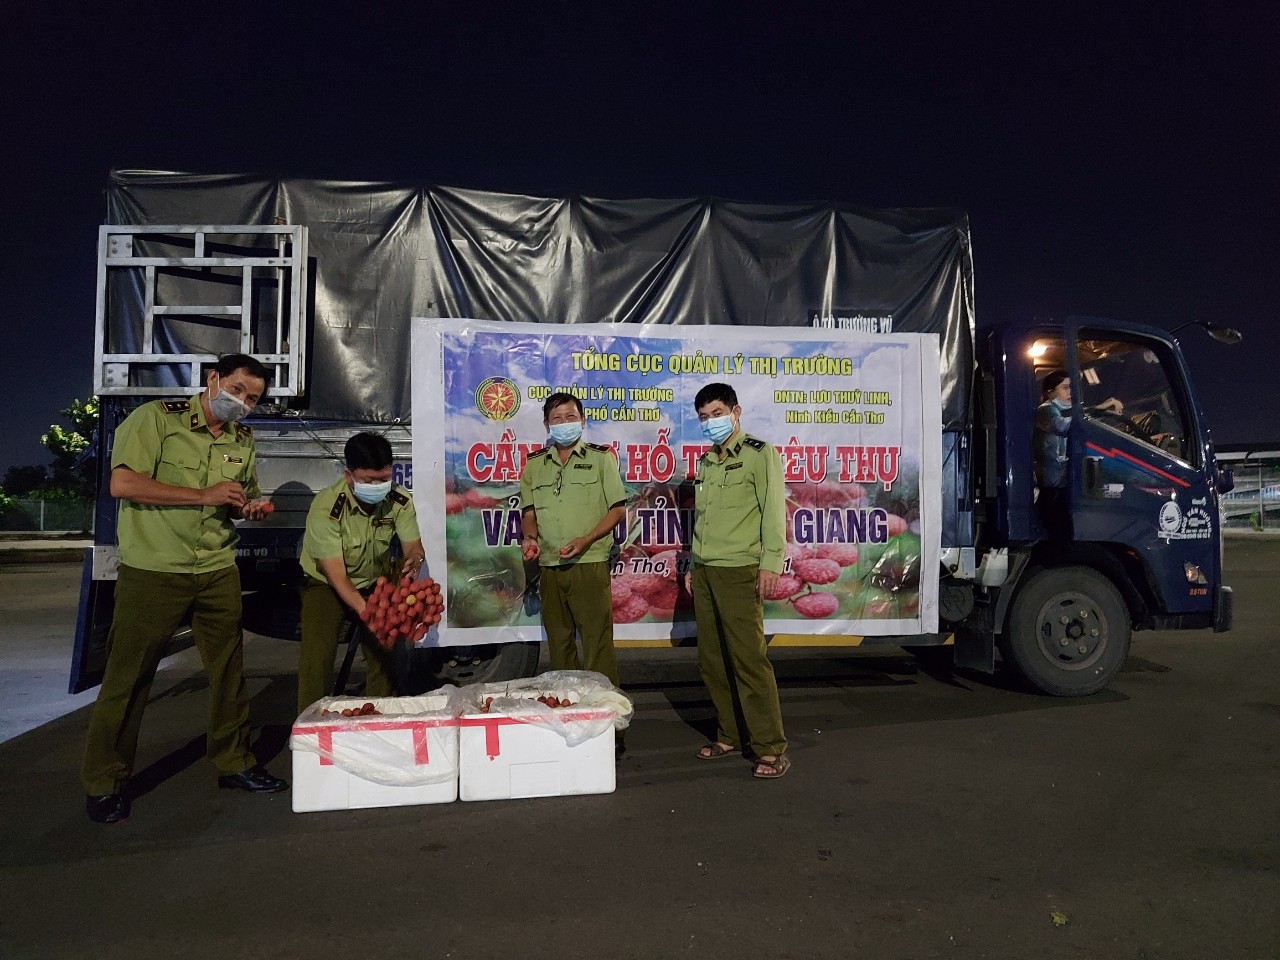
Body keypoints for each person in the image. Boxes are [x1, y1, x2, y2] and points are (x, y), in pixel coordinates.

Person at [82, 354, 286, 824]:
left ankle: (234, 762)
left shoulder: (241, 439)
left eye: (253, 399)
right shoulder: (155, 419)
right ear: (213, 379)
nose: (243, 402)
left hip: (216, 568)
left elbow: (236, 499)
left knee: (229, 672)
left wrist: (247, 508)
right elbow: (122, 483)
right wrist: (203, 495)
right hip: (154, 569)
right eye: (237, 390)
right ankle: (105, 781)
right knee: (129, 678)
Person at [687, 383, 790, 780]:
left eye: (717, 413)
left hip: (741, 569)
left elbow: (773, 512)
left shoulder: (760, 455)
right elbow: (702, 520)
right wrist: (693, 565)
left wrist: (771, 563)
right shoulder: (706, 462)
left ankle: (770, 747)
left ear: (736, 412)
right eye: (704, 417)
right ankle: (729, 735)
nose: (710, 422)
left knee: (749, 661)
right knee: (712, 660)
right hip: (705, 569)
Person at [296, 433, 424, 714]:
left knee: (386, 651)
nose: (377, 486)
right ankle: (310, 722)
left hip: (375, 579)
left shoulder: (399, 500)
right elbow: (337, 576)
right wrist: (368, 613)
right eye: (369, 480)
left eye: (383, 478)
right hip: (326, 584)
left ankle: (380, 717)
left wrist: (414, 562)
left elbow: (413, 546)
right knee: (318, 657)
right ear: (349, 476)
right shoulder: (327, 507)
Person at [519, 392, 628, 693]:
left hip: (588, 563)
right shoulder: (534, 465)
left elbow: (618, 510)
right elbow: (529, 513)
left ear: (582, 420)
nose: (564, 423)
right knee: (559, 645)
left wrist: (587, 539)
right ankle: (569, 708)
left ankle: (607, 715)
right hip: (549, 566)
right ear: (547, 425)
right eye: (557, 418)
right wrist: (530, 538)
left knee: (597, 645)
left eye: (570, 417)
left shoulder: (601, 458)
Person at [1034, 370, 1122, 537]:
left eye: (1072, 388)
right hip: (1052, 487)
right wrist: (1099, 409)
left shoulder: (1066, 411)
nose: (1071, 392)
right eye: (1065, 388)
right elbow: (1063, 426)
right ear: (1050, 392)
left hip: (1064, 485)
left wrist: (1100, 410)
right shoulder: (1046, 411)